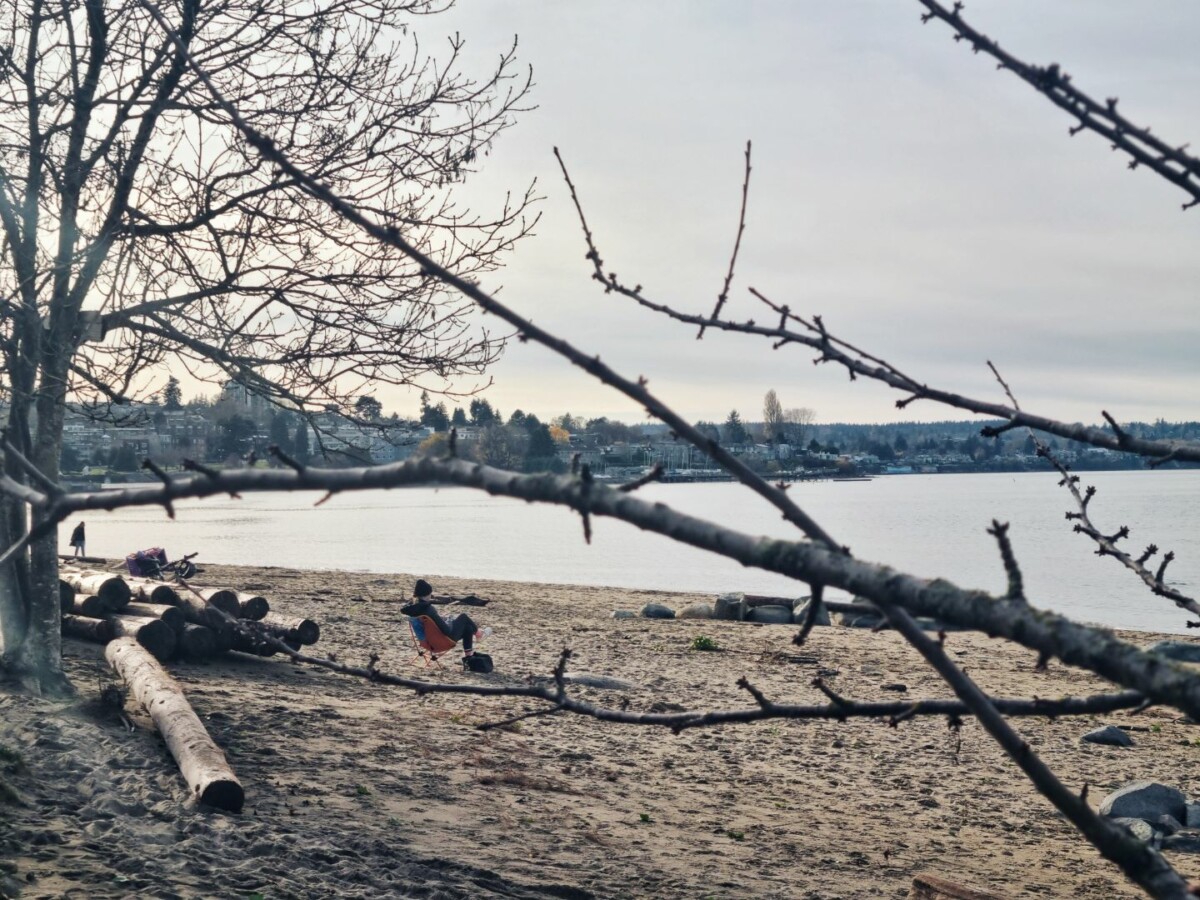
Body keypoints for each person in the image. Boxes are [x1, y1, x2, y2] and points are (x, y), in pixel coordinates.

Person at [400, 578, 482, 660]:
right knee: (463, 617)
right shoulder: (428, 609)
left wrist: (443, 619)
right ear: (427, 594)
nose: (431, 595)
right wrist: (450, 622)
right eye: (430, 593)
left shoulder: (413, 609)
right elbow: (446, 630)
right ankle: (478, 633)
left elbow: (403, 609)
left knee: (468, 627)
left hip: (427, 642)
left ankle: (469, 656)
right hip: (443, 641)